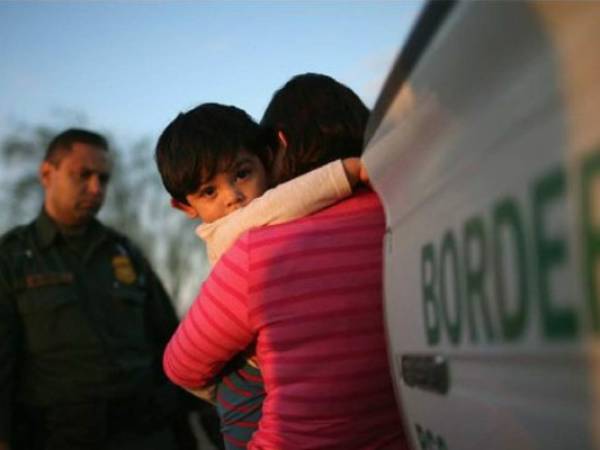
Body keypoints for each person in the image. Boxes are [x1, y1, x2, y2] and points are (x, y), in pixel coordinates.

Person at [163, 73, 409, 449]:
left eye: (242, 174)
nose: (233, 198)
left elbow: (181, 364)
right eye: (209, 191)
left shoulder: (259, 246)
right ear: (185, 206)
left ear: (274, 147)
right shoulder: (405, 209)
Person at [0, 129, 195, 450]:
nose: (95, 188)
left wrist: (190, 417)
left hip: (145, 432)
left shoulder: (125, 253)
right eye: (83, 175)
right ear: (47, 174)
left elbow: (171, 340)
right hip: (58, 436)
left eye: (103, 179)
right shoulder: (13, 258)